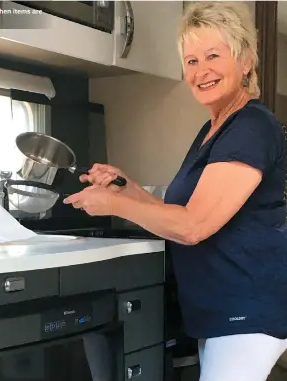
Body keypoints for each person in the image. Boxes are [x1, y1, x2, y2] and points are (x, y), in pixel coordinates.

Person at [63, 2, 287, 381]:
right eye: (192, 60)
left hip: (247, 312)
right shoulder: (215, 129)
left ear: (245, 61)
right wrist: (126, 187)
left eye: (213, 55)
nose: (201, 71)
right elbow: (178, 211)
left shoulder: (250, 127)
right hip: (224, 310)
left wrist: (113, 203)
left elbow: (192, 226)